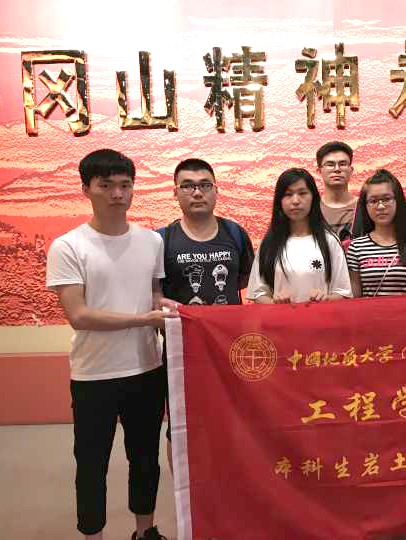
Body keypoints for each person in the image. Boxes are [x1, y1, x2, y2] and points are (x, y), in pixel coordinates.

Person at [45, 149, 175, 540]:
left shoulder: (151, 241)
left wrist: (166, 308)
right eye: (106, 185)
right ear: (86, 189)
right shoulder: (68, 246)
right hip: (93, 374)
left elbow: (152, 294)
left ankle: (145, 530)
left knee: (145, 459)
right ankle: (94, 535)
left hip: (146, 368)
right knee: (91, 464)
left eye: (124, 184)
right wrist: (144, 320)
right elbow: (79, 315)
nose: (117, 194)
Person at [157, 158, 254, 463]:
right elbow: (153, 294)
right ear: (175, 192)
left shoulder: (235, 234)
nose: (197, 192)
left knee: (233, 422)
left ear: (216, 190)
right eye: (187, 186)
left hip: (231, 350)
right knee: (181, 427)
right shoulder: (162, 239)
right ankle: (185, 492)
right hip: (182, 354)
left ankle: (228, 485)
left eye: (204, 185)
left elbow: (244, 281)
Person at [247, 168, 351, 303]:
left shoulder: (329, 241)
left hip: (321, 316)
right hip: (279, 316)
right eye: (288, 194)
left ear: (313, 197)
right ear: (279, 201)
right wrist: (275, 303)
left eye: (302, 193)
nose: (295, 201)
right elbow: (258, 293)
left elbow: (343, 292)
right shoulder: (269, 243)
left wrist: (326, 299)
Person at [347, 169, 406, 297]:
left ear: (398, 201)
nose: (381, 206)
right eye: (373, 201)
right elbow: (354, 299)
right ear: (365, 206)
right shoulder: (356, 247)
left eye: (387, 199)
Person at [316, 141, 358, 242]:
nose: (337, 169)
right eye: (330, 164)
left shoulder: (364, 206)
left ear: (351, 170)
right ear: (319, 171)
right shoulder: (311, 209)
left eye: (342, 164)